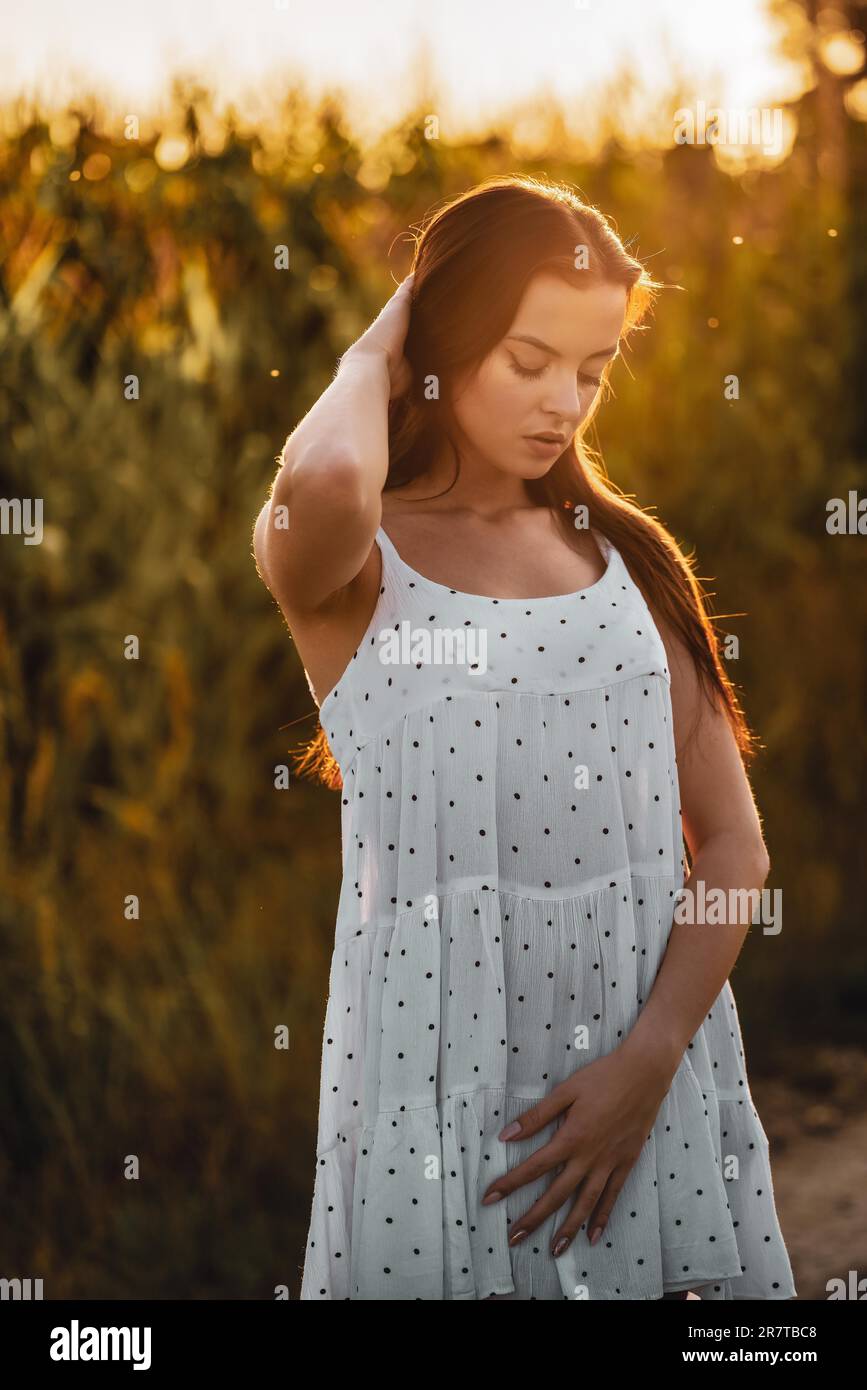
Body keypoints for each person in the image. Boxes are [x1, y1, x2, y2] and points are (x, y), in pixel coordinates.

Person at [252, 174, 797, 1301]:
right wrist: (379, 346)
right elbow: (335, 472)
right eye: (528, 359)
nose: (566, 402)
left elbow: (735, 848)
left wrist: (646, 1069)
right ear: (439, 348)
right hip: (430, 1099)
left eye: (593, 372)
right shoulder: (358, 569)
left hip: (646, 1092)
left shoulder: (630, 560)